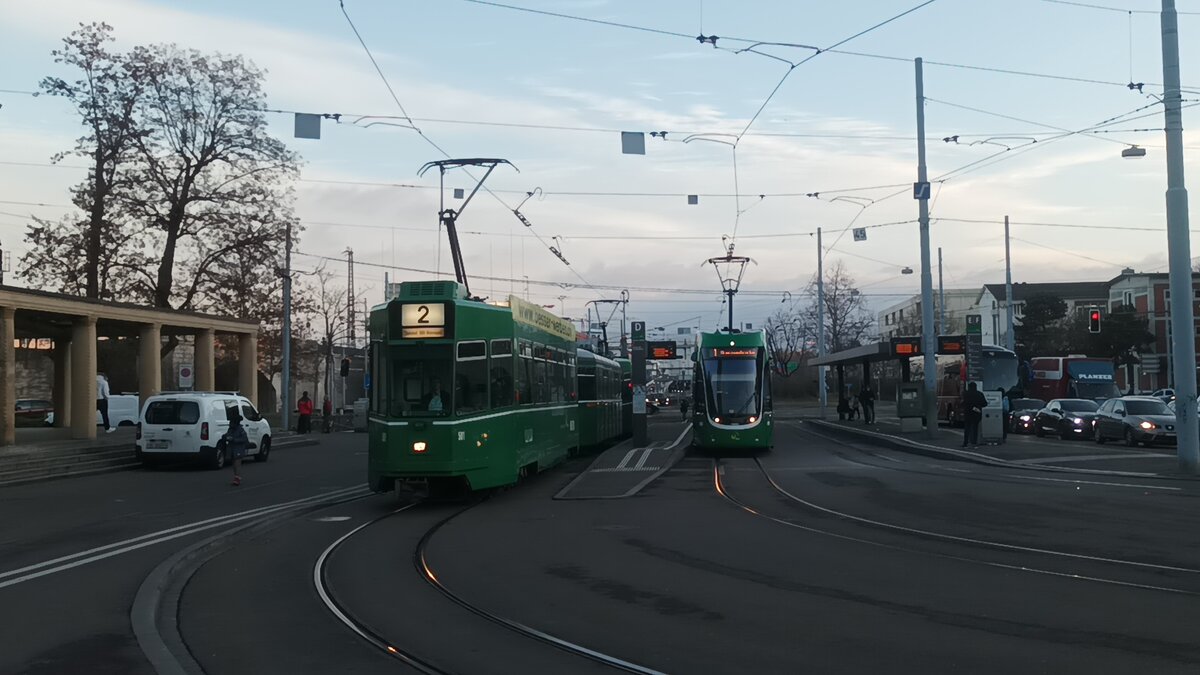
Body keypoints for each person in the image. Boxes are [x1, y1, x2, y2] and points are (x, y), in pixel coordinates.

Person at [224, 406, 250, 486]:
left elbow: (244, 439)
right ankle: (236, 476)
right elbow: (227, 435)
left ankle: (237, 477)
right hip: (232, 449)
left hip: (238, 449)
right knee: (234, 464)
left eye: (232, 422)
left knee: (237, 463)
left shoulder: (240, 430)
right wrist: (225, 437)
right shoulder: (230, 429)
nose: (230, 423)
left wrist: (234, 440)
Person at [962, 381, 988, 448]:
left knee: (967, 428)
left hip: (968, 413)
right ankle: (974, 443)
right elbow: (985, 404)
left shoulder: (965, 394)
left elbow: (963, 403)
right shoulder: (979, 394)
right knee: (975, 429)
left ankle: (965, 443)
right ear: (976, 387)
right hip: (976, 414)